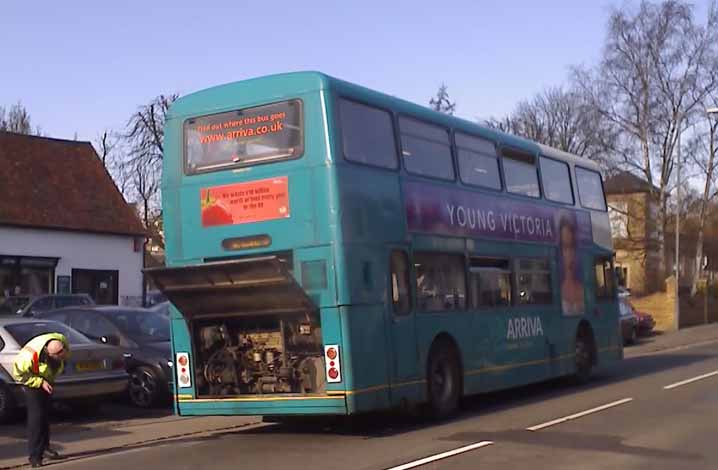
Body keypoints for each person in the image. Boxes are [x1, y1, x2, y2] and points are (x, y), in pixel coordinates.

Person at [12, 333, 70, 468]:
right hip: (31, 380)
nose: (64, 357)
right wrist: (40, 382)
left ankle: (45, 447)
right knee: (36, 417)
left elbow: (60, 361)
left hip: (47, 379)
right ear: (50, 354)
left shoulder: (61, 343)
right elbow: (19, 376)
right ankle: (35, 456)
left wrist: (49, 380)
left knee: (45, 414)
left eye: (64, 353)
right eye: (59, 356)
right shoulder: (26, 359)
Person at [559, 214, 585, 316]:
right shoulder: (557, 290)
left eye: (572, 247)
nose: (569, 254)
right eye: (565, 247)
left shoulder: (583, 289)